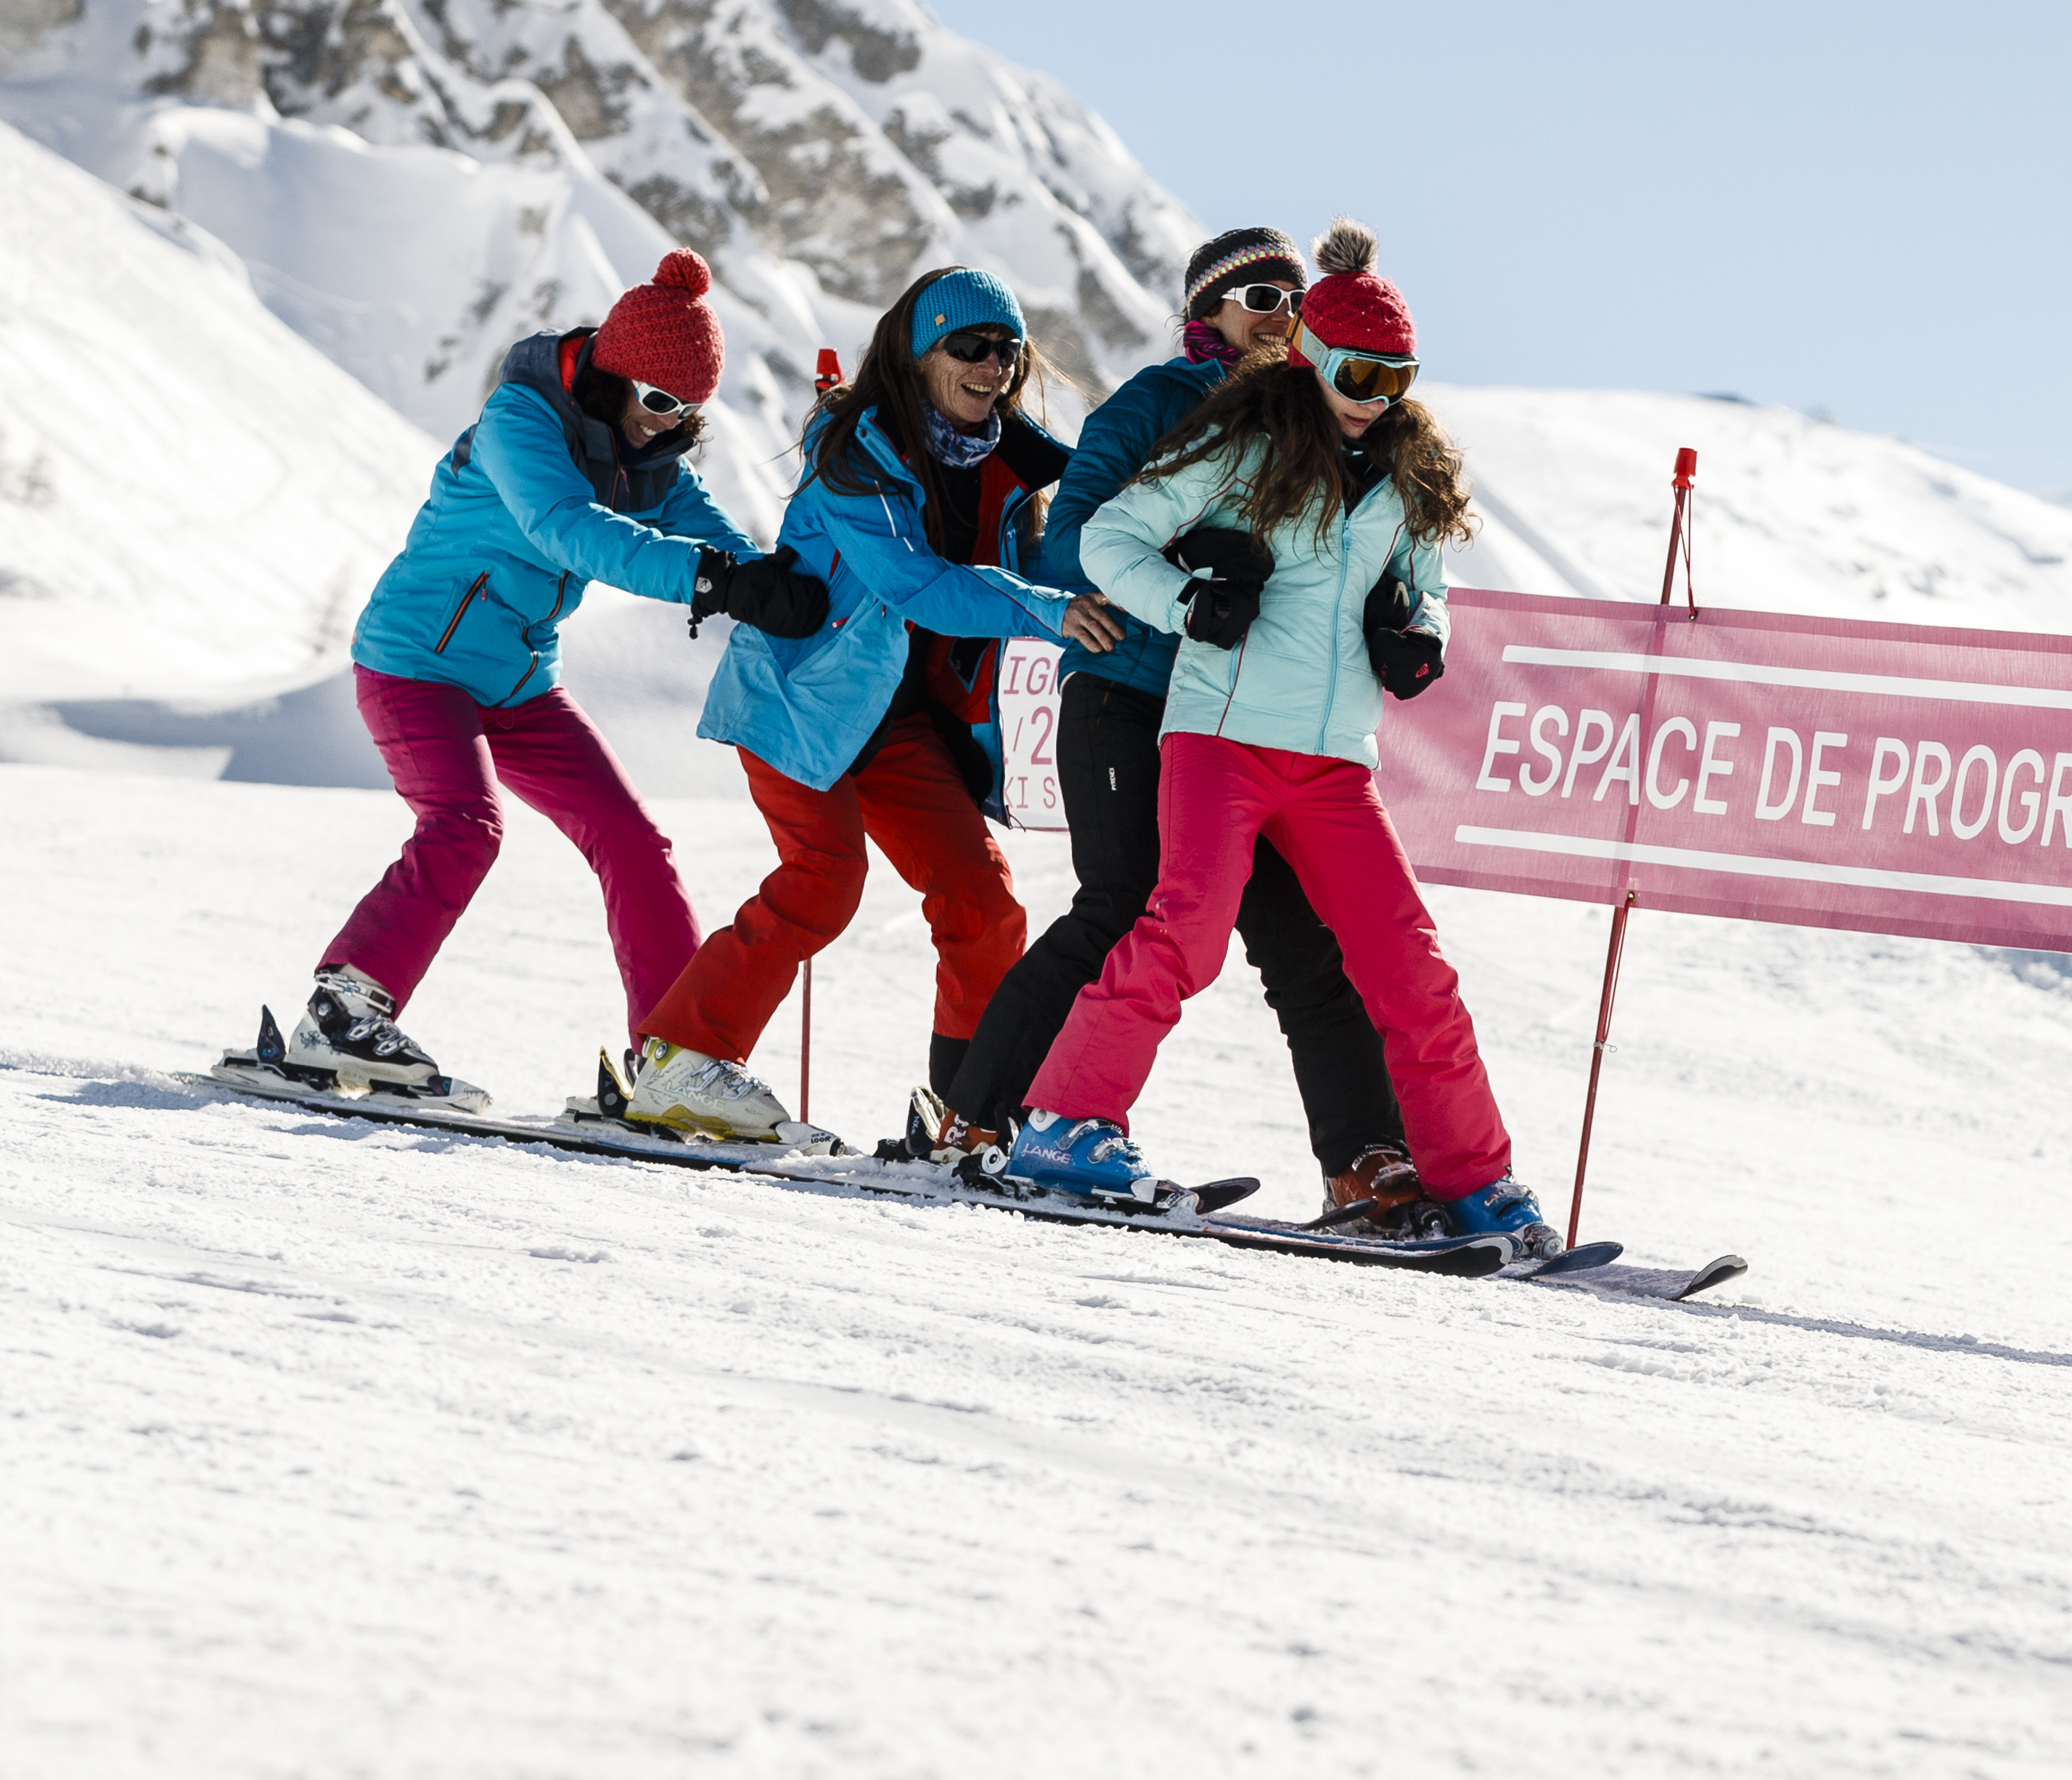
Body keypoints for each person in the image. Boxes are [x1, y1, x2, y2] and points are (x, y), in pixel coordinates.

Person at [1004, 222, 1552, 1257]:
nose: (1372, 392)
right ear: (1309, 356)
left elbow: (1426, 586)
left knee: (1411, 967)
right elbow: (1105, 536)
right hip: (1220, 736)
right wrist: (1186, 604)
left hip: (1339, 762)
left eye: (1396, 375)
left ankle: (1473, 1181)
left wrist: (1417, 637)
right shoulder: (1240, 445)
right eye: (1354, 368)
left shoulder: (1407, 477)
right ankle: (1065, 1129)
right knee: (1185, 931)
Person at [946, 229, 1412, 1203]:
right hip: (1130, 689)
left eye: (1292, 297)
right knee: (1122, 906)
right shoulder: (1157, 403)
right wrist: (1190, 570)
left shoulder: (1319, 422)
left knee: (1306, 942)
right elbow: (1068, 540)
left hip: (1250, 721)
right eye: (1256, 297)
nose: (1278, 315)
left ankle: (1365, 1167)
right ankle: (978, 1117)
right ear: (1209, 312)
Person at [298, 249, 824, 1090]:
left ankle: (672, 1054)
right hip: (415, 664)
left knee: (634, 841)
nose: (667, 423)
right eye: (656, 401)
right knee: (465, 823)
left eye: (688, 412)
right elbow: (565, 529)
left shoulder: (648, 456)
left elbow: (718, 535)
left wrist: (789, 588)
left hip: (521, 686)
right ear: (612, 377)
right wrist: (716, 583)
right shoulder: (522, 420)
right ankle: (345, 1011)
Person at [623, 264, 1112, 1140]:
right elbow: (915, 583)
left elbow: (1045, 569)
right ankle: (680, 1057)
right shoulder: (856, 454)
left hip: (898, 721)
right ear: (922, 354)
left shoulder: (1006, 458)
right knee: (824, 878)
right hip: (801, 701)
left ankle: (973, 1109)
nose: (994, 365)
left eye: (1008, 349)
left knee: (982, 898)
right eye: (970, 347)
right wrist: (1048, 609)